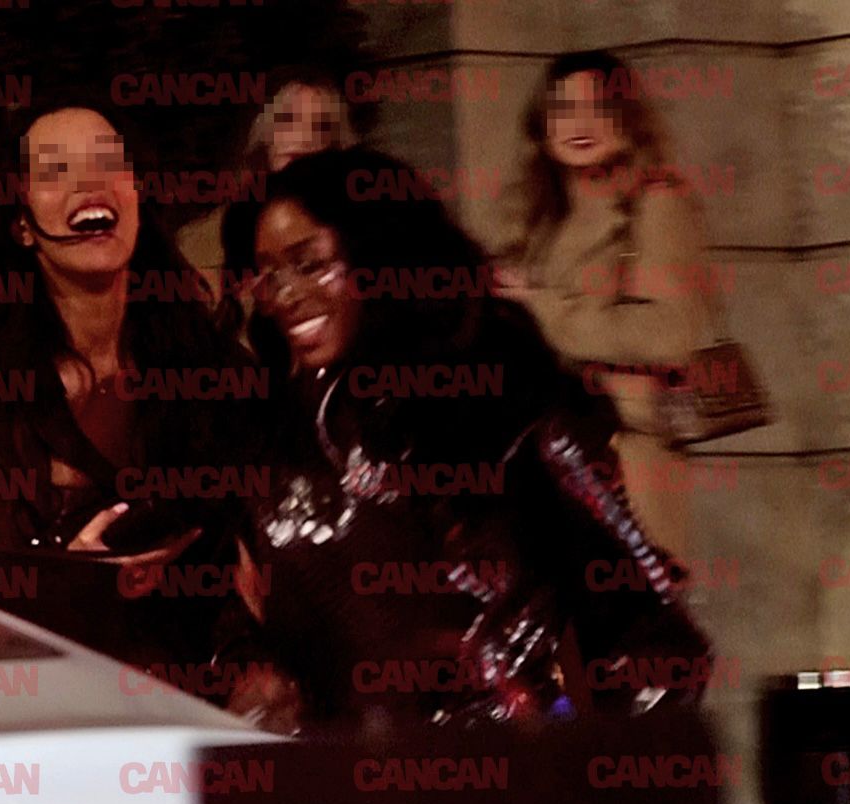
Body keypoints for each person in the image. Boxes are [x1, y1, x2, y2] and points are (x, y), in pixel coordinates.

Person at [218, 146, 712, 735]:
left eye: (309, 263)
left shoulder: (504, 416)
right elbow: (266, 626)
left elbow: (656, 643)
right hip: (340, 784)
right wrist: (258, 679)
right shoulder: (278, 442)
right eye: (269, 274)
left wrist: (588, 773)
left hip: (499, 777)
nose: (286, 294)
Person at [0, 97, 263, 672]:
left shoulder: (219, 376)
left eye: (109, 162)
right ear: (22, 225)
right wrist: (63, 587)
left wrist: (254, 666)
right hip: (35, 709)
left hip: (189, 709)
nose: (90, 183)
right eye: (57, 170)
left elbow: (271, 566)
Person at [499, 49, 724, 562]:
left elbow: (671, 333)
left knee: (630, 608)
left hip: (625, 462)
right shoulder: (537, 220)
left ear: (627, 119)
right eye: (563, 109)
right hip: (542, 463)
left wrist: (543, 308)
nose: (580, 125)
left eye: (598, 107)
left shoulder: (658, 204)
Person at [176, 67, 357, 334]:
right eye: (288, 120)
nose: (304, 138)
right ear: (263, 132)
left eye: (320, 126)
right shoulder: (203, 241)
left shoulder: (354, 227)